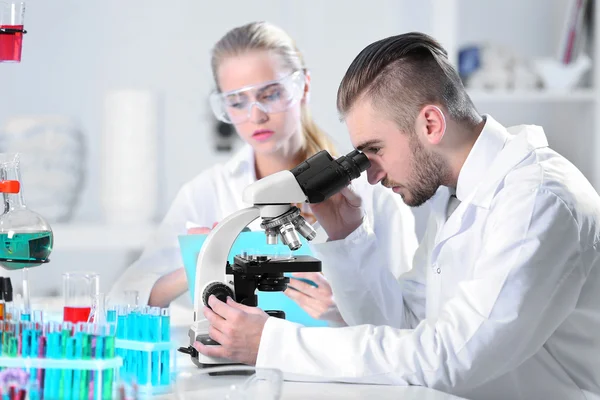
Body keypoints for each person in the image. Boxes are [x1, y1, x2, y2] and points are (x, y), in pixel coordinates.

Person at [194, 32, 600, 400]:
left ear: (430, 123)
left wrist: (274, 343)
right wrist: (347, 239)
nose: (370, 175)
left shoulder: (537, 200)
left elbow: (450, 360)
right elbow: (405, 328)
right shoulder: (456, 195)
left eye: (375, 149)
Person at [109, 22, 418, 327]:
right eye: (236, 102)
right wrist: (206, 258)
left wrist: (345, 310)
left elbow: (407, 319)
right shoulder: (208, 190)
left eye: (270, 94)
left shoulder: (370, 187)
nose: (255, 115)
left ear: (303, 86)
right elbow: (122, 299)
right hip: (235, 372)